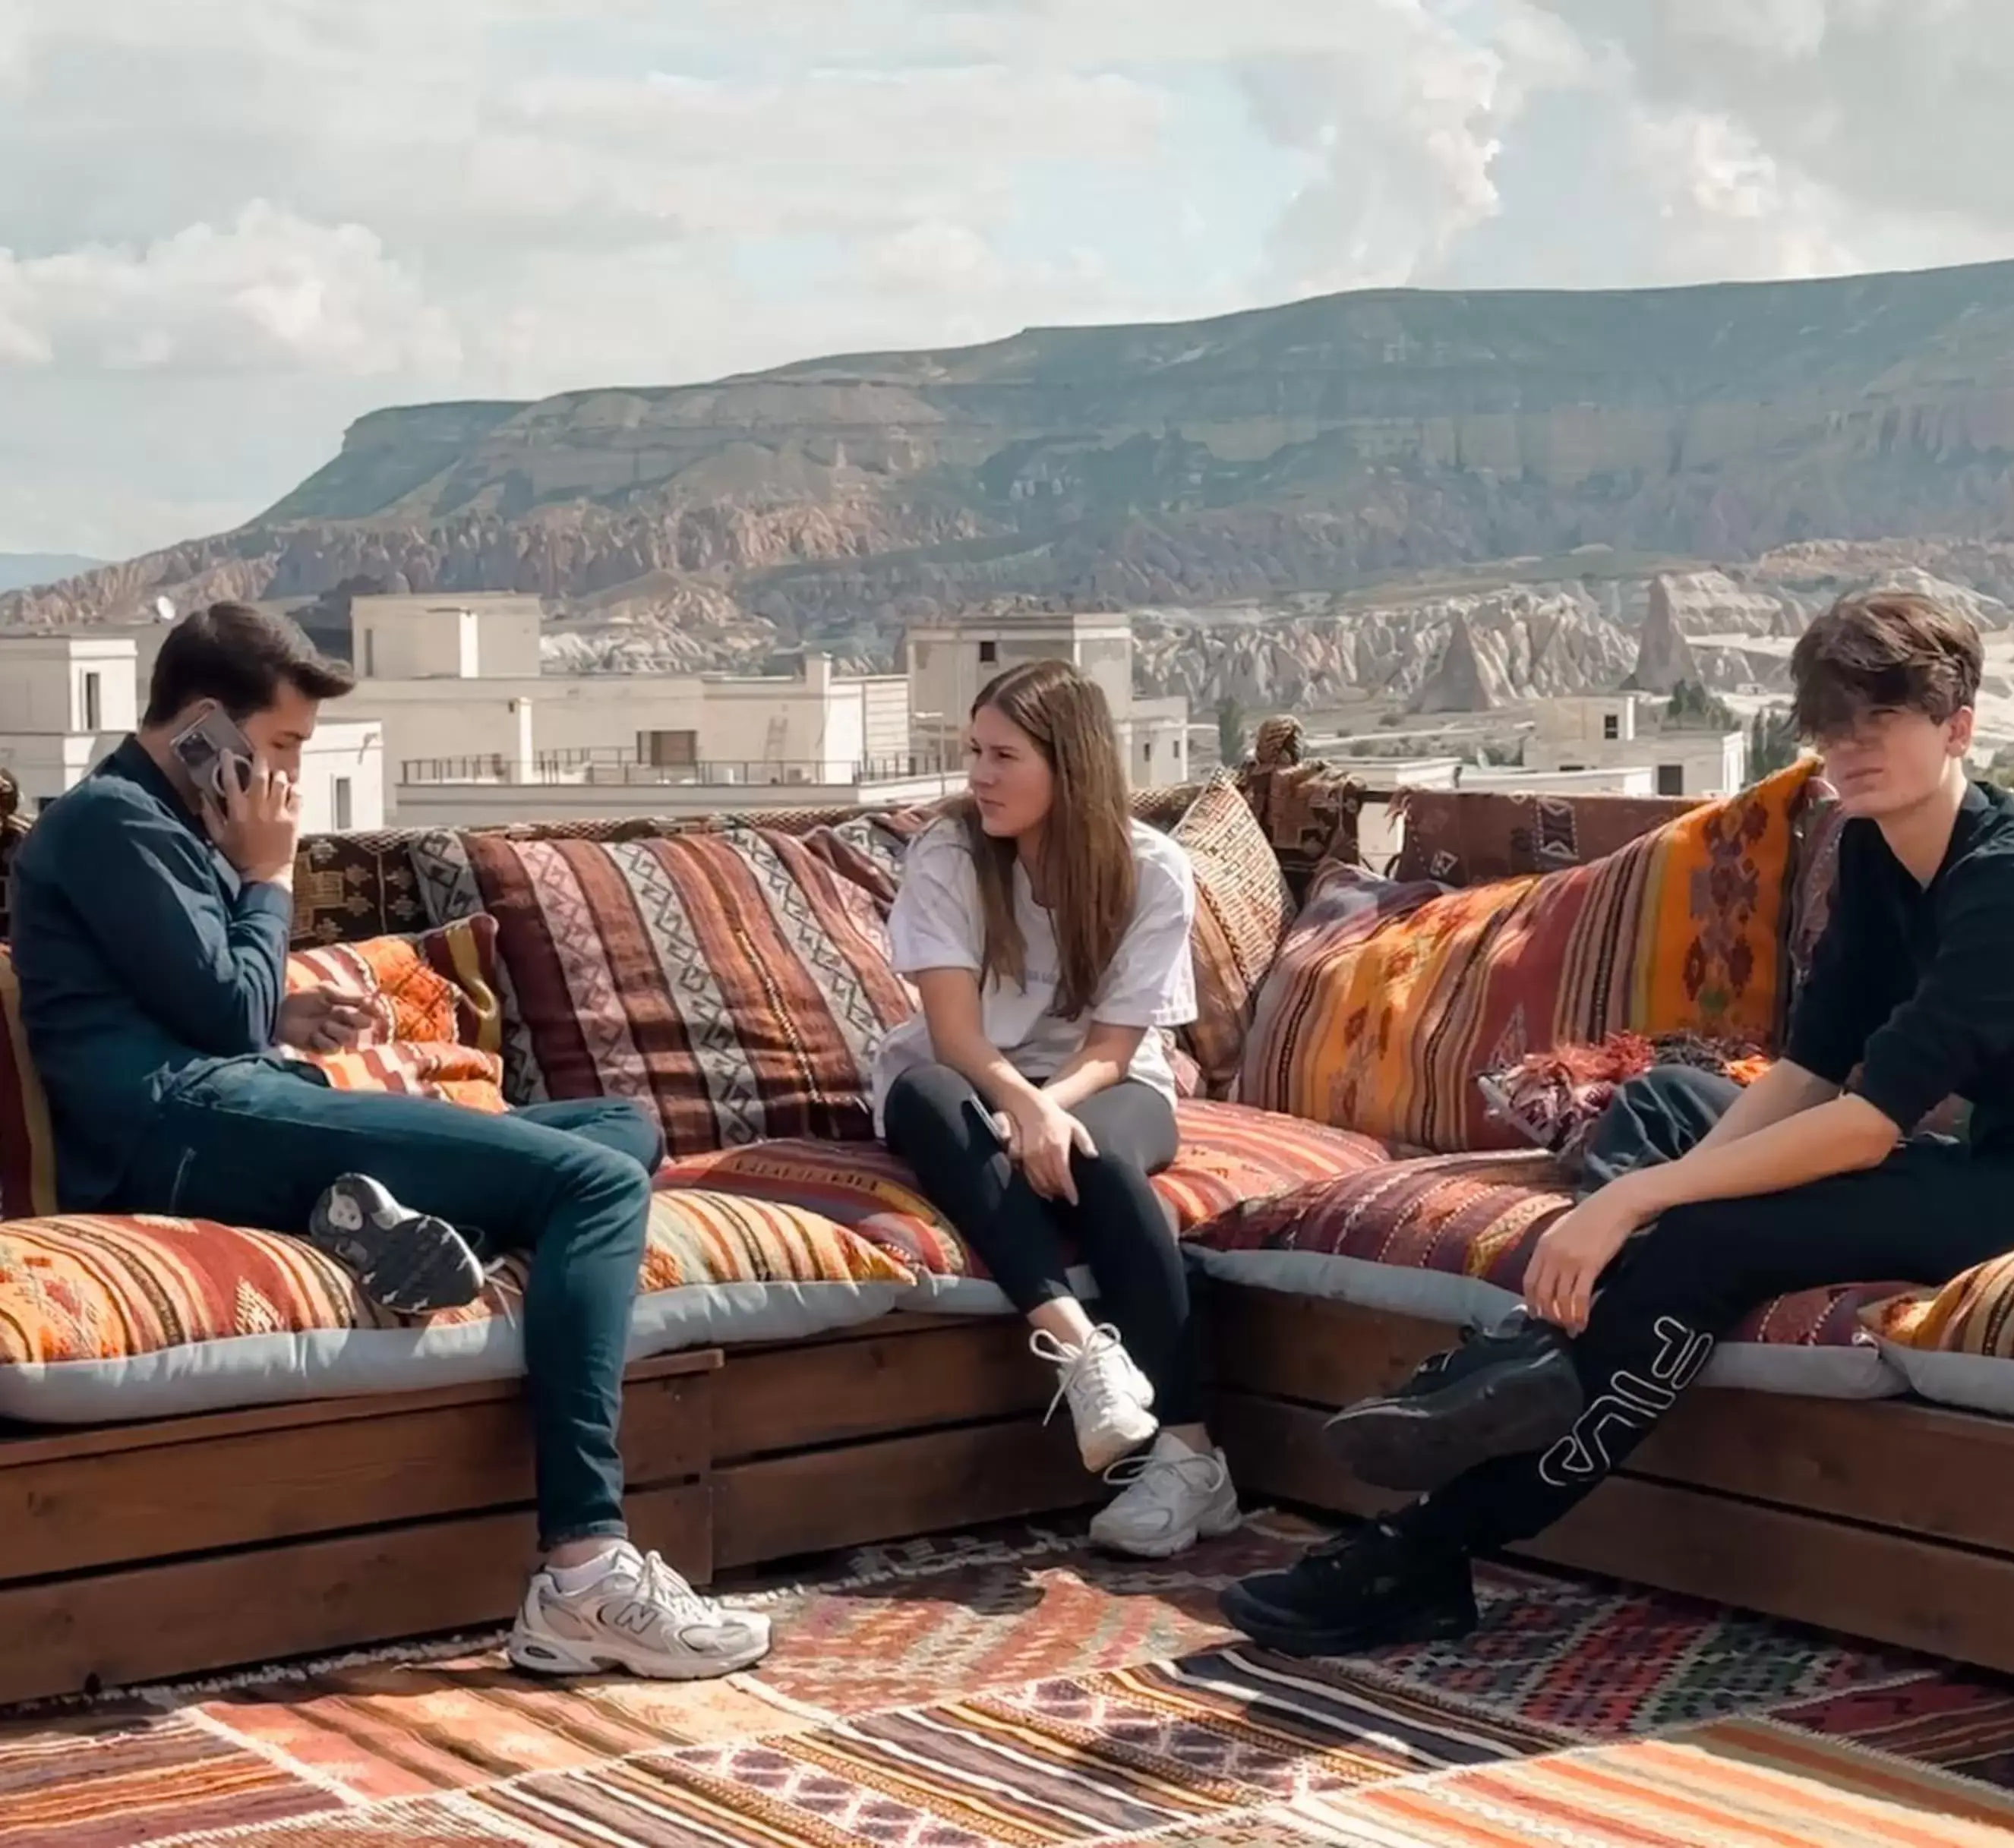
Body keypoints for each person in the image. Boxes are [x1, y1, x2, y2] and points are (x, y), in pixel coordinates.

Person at [1220, 590, 2014, 1657]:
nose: (1851, 748)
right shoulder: (1883, 852)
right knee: (1667, 1108)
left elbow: (1867, 1124)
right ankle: (1519, 1361)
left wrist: (1635, 1200)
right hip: (2003, 1155)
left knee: (1705, 1234)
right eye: (1833, 725)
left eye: (1880, 720)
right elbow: (1807, 1068)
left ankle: (1428, 1549)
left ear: (1958, 725)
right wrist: (1663, 1180)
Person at [9, 602, 770, 1681]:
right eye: (278, 748)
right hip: (176, 1127)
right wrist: (270, 875)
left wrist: (282, 1015)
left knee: (619, 1125)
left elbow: (193, 995)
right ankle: (584, 1570)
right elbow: (218, 1012)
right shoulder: (109, 822)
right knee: (595, 1189)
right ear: (204, 727)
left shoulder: (172, 827)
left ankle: (386, 1220)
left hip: (236, 1097)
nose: (287, 779)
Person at [876, 657, 1235, 1558]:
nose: (980, 777)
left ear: (1068, 765)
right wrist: (1017, 1104)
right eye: (974, 753)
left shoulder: (1153, 870)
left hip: (1108, 1082)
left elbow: (1114, 1048)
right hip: (972, 1077)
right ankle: (1084, 1356)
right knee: (920, 1094)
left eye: (1004, 756)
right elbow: (953, 1037)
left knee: (1101, 1165)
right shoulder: (951, 852)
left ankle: (1192, 1457)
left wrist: (1049, 1110)